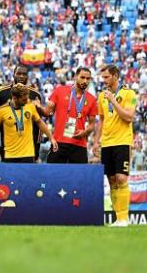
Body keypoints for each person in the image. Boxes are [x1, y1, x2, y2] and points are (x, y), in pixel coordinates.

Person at [93, 64, 137, 227]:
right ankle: (119, 218)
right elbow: (102, 120)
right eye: (102, 77)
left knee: (121, 178)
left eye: (106, 77)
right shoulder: (101, 96)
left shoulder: (129, 93)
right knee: (111, 180)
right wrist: (97, 141)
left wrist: (112, 100)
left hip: (122, 142)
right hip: (107, 142)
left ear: (115, 76)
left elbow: (129, 116)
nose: (103, 80)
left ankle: (124, 218)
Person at [38, 67, 98, 164]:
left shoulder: (92, 99)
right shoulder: (60, 91)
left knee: (79, 178)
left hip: (79, 145)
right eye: (82, 77)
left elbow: (92, 125)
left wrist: (85, 132)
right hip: (59, 142)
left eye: (88, 79)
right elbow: (47, 113)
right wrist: (38, 107)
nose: (85, 81)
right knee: (53, 176)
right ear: (75, 77)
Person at [0, 65, 44, 160]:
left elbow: (39, 123)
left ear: (28, 76)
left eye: (24, 74)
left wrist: (37, 145)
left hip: (29, 148)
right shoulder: (2, 93)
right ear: (13, 75)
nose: (21, 76)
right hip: (7, 146)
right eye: (18, 73)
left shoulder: (35, 94)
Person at [0, 84, 55, 163]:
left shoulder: (30, 107)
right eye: (24, 100)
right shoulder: (2, 110)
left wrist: (51, 138)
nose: (27, 101)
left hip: (28, 154)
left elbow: (39, 122)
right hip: (9, 154)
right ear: (15, 98)